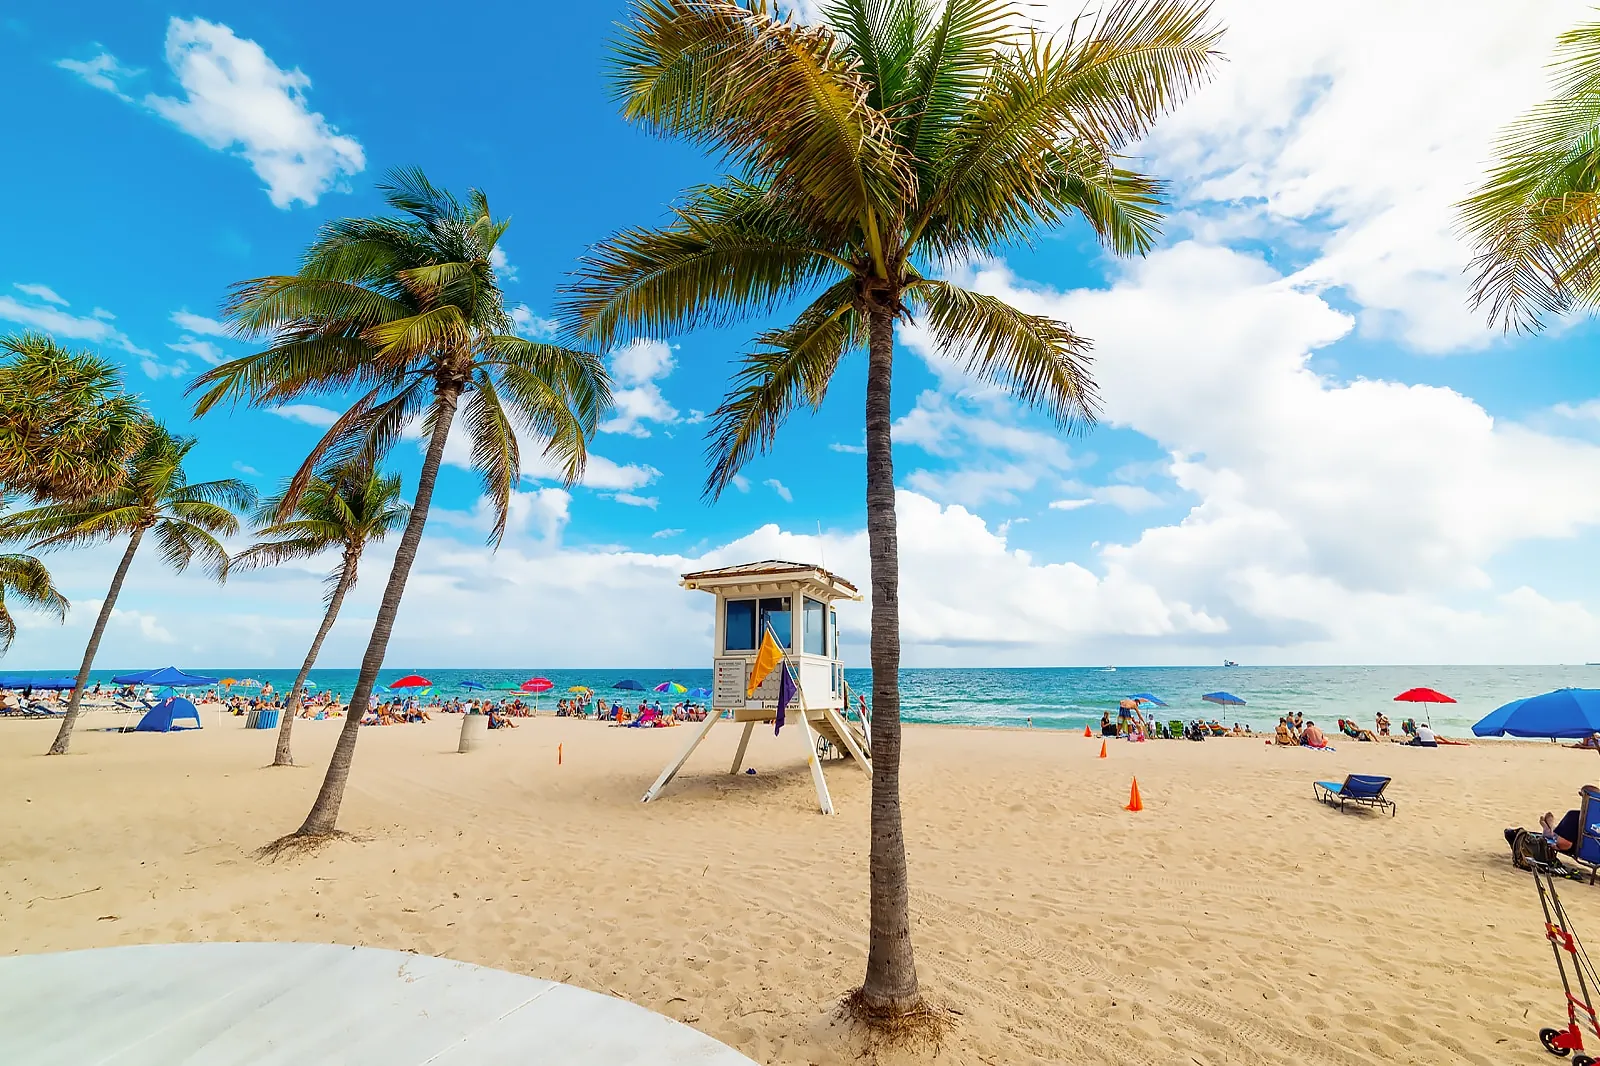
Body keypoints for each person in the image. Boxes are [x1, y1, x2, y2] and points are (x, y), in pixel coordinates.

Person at [1508, 785, 1600, 866]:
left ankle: (1551, 830)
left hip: (1582, 848)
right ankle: (1551, 830)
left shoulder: (1575, 817)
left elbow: (1564, 844)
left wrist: (1556, 846)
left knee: (1575, 819)